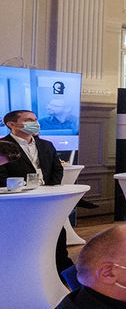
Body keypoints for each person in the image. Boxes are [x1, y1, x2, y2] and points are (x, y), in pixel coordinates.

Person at [2, 109, 73, 273]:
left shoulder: (46, 145)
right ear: (11, 124)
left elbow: (57, 170)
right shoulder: (3, 147)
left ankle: (62, 269)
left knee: (57, 234)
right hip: (20, 202)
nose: (35, 123)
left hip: (48, 200)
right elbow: (2, 176)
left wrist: (50, 189)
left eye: (35, 119)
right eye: (29, 120)